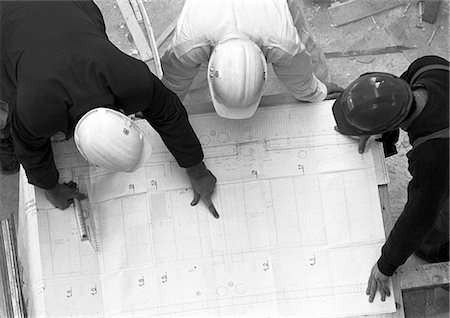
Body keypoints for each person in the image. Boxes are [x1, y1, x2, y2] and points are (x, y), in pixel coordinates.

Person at [0, 0, 219, 218]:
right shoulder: (34, 110)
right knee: (8, 98)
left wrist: (196, 168)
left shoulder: (131, 79)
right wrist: (50, 187)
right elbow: (30, 148)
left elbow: (169, 113)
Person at [332, 55, 449, 302]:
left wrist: (386, 265)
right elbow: (402, 104)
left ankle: (439, 251)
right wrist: (383, 132)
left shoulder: (434, 155)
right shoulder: (428, 67)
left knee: (437, 220)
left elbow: (420, 216)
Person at [161, 0, 342, 119]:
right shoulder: (187, 45)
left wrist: (317, 92)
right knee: (189, 77)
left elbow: (299, 73)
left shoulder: (283, 43)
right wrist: (160, 108)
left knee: (303, 44)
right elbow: (173, 85)